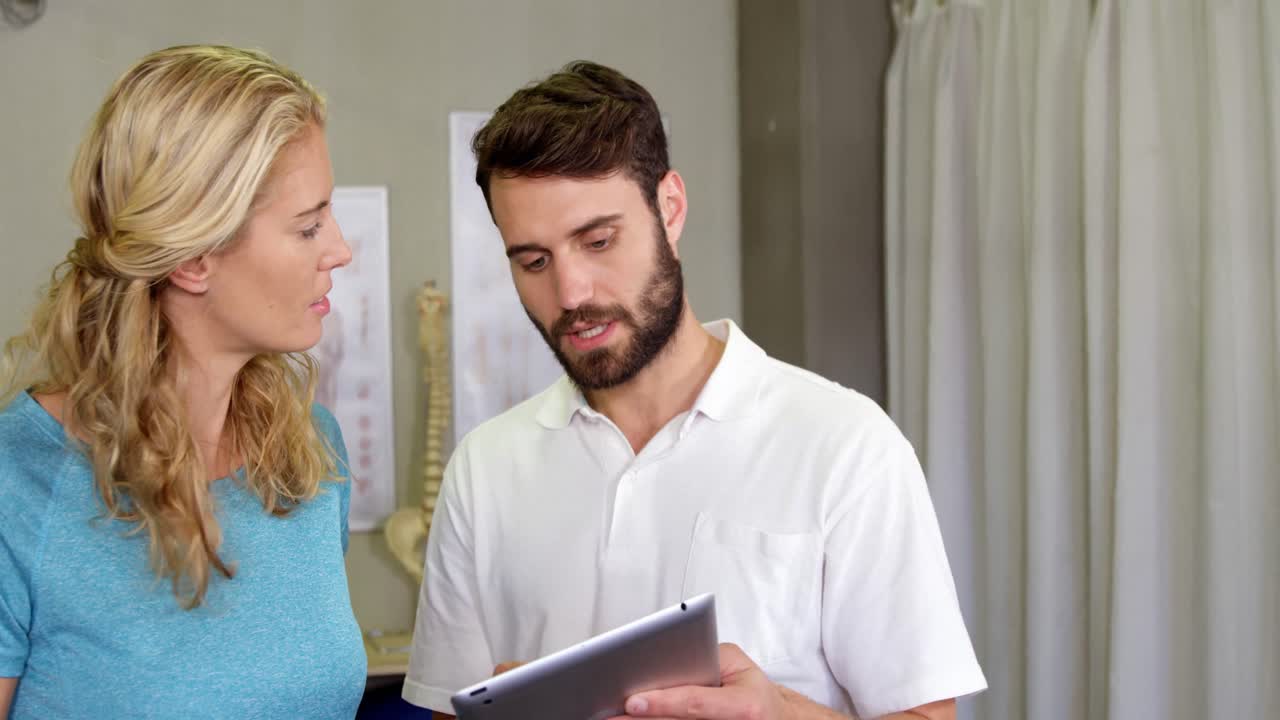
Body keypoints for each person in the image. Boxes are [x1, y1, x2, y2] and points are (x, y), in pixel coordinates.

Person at [403, 60, 987, 719]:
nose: (570, 294)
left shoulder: (846, 447)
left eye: (598, 241)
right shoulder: (483, 472)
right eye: (534, 261)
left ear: (670, 209)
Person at [0, 45, 362, 719]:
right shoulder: (14, 485)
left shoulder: (312, 452)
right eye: (308, 226)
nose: (340, 249)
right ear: (196, 260)